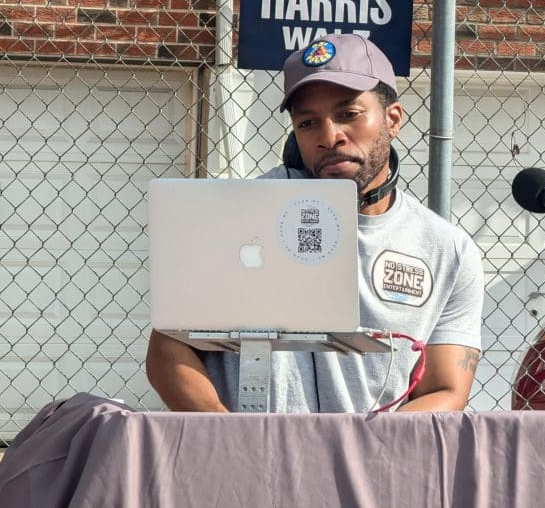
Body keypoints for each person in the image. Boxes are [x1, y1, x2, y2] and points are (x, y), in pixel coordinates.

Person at [146, 33, 484, 412]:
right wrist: (232, 440)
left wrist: (367, 454)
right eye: (308, 123)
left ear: (392, 119)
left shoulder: (447, 250)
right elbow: (167, 351)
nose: (329, 136)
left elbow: (446, 389)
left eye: (348, 115)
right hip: (247, 461)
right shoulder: (237, 216)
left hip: (371, 463)